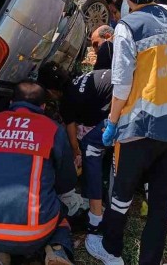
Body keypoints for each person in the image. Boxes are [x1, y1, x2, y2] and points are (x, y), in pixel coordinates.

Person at [86, 0, 167, 265]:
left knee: (122, 194)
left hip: (143, 126)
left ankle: (111, 251)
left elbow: (122, 82)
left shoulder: (130, 26)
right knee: (161, 202)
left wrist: (112, 122)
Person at [0, 81, 77, 264]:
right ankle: (57, 250)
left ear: (11, 103)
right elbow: (67, 181)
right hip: (36, 232)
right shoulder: (52, 129)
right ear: (43, 106)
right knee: (62, 211)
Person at [38, 62, 113, 242]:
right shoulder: (78, 81)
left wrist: (76, 153)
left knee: (90, 147)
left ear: (53, 92)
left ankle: (97, 213)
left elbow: (72, 140)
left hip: (126, 99)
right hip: (132, 87)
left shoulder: (67, 100)